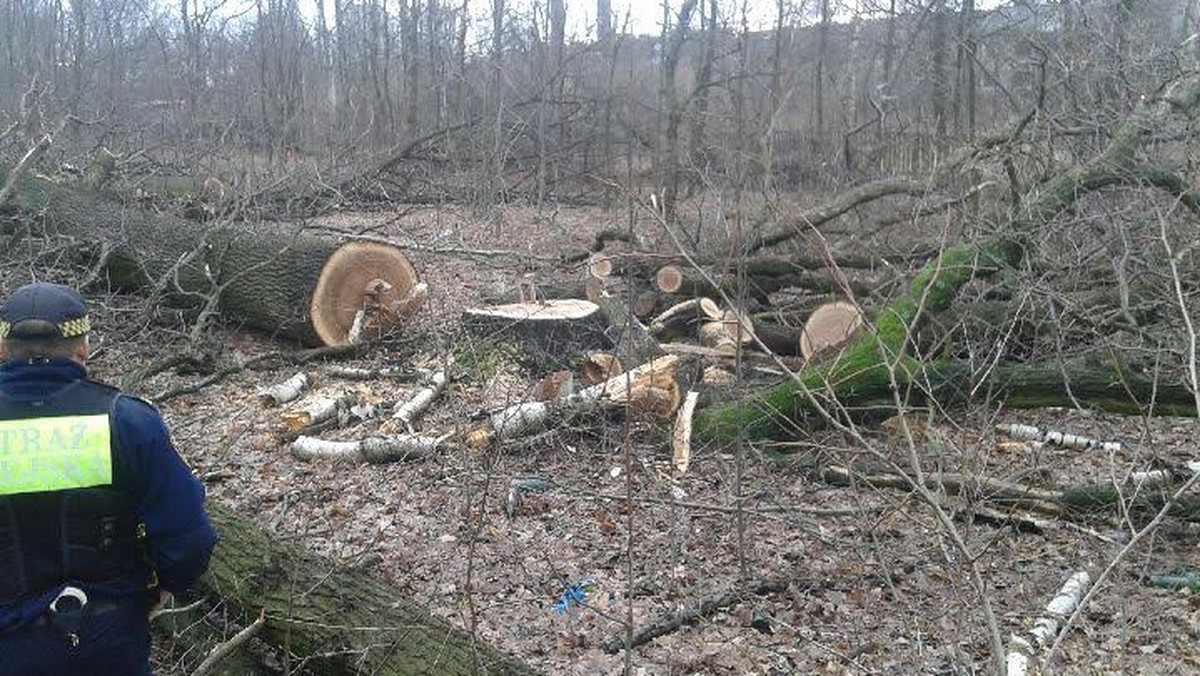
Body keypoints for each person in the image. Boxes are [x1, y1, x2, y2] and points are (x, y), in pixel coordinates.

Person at [0, 282, 218, 675]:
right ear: (83, 348)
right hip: (109, 636)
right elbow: (189, 538)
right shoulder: (128, 420)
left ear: (2, 349)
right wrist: (159, 590)